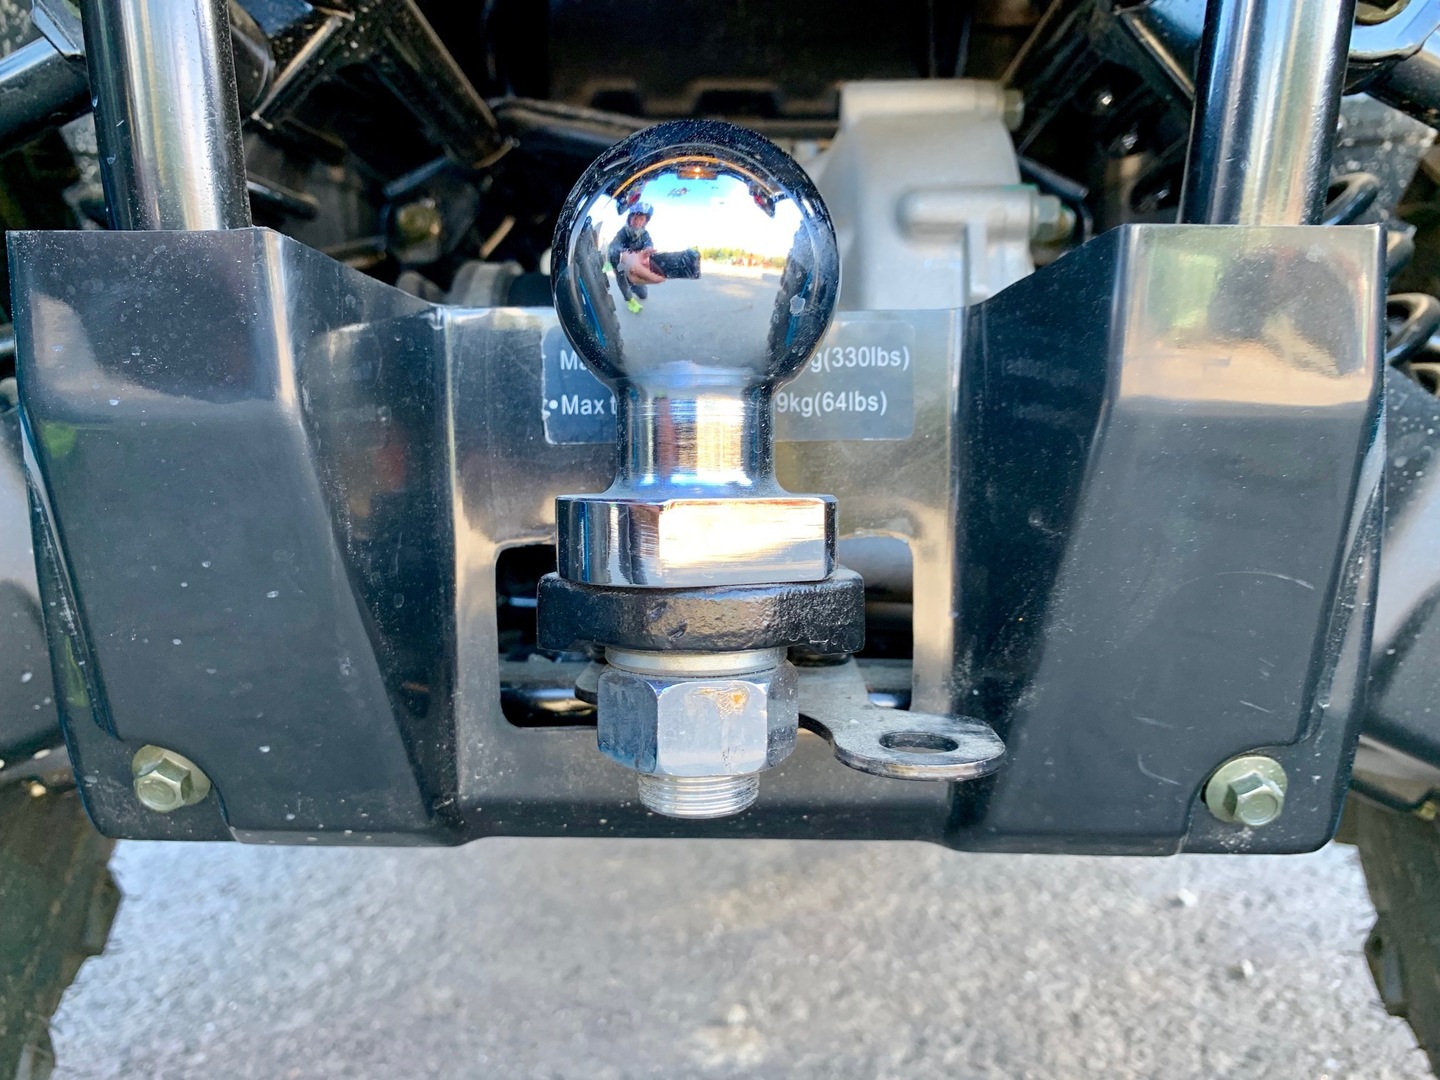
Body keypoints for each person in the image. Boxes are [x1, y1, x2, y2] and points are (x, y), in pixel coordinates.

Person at [607, 202, 657, 313]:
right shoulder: (623, 232)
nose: (638, 222)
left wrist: (648, 249)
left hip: (635, 263)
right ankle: (629, 299)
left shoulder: (644, 234)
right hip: (621, 261)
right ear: (630, 219)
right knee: (621, 275)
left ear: (645, 222)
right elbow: (614, 244)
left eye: (641, 219)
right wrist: (623, 251)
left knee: (643, 294)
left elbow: (648, 243)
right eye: (635, 218)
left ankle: (632, 285)